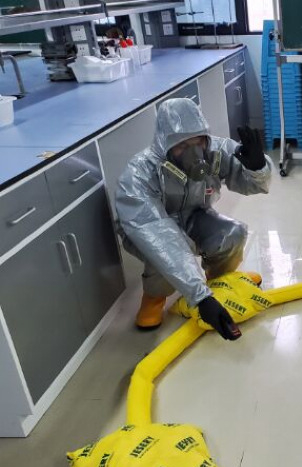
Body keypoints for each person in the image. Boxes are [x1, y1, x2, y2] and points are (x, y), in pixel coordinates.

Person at [115, 98, 272, 339]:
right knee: (169, 250)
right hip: (147, 228)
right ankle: (154, 297)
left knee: (233, 234)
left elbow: (254, 184)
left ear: (205, 137)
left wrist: (257, 166)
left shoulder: (215, 152)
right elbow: (158, 235)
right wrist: (201, 298)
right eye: (181, 145)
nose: (193, 152)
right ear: (164, 142)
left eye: (197, 141)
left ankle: (221, 282)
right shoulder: (139, 173)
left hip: (192, 214)